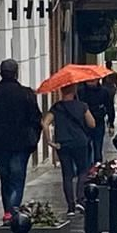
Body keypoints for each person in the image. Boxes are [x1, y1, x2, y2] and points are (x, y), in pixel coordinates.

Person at [0, 59, 43, 219]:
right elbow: (36, 118)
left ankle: (8, 209)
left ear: (1, 73)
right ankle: (13, 210)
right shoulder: (26, 93)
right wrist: (34, 138)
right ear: (16, 73)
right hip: (21, 144)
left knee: (5, 176)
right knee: (17, 177)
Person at [44, 83, 95, 213]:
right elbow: (92, 124)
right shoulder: (82, 106)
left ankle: (70, 206)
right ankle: (80, 199)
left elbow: (45, 123)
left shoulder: (56, 107)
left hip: (63, 143)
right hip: (80, 142)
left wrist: (49, 141)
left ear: (61, 91)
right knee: (83, 171)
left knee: (67, 174)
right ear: (74, 90)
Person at [80, 78, 116, 167]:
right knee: (85, 147)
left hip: (98, 122)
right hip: (84, 123)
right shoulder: (80, 91)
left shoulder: (104, 92)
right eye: (89, 80)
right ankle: (86, 169)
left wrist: (111, 123)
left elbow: (110, 107)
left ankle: (97, 168)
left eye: (93, 80)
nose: (90, 82)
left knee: (98, 147)